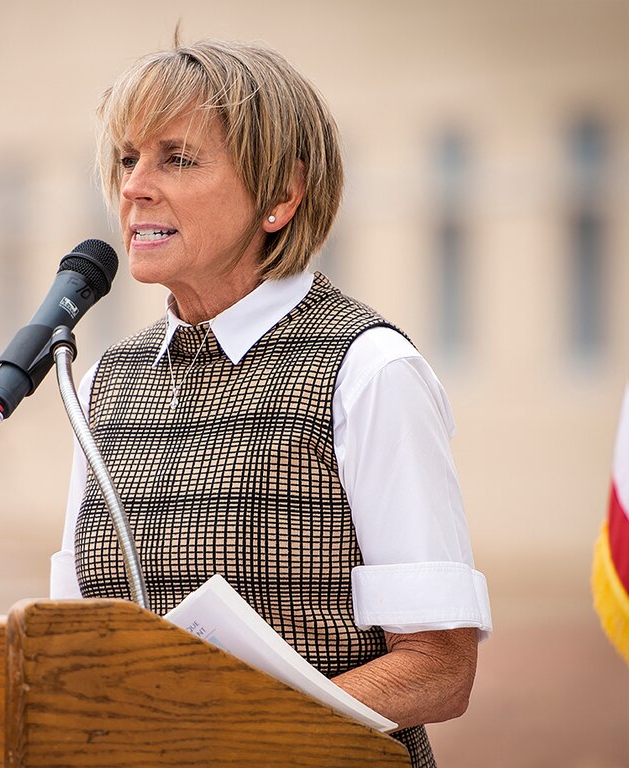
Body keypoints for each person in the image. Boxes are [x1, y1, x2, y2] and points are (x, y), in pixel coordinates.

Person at [48, 39, 492, 767]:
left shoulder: (368, 368)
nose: (135, 187)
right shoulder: (102, 382)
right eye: (129, 158)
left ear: (281, 196)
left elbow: (439, 669)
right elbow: (79, 640)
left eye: (177, 158)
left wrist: (234, 732)